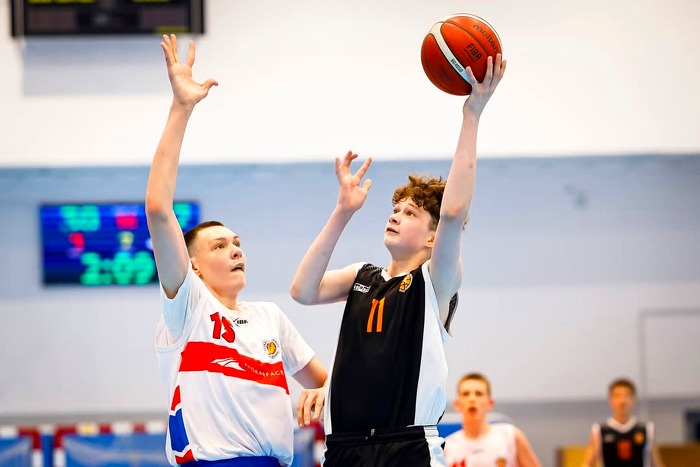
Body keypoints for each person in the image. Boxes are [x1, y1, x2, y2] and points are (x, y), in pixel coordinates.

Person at [290, 55, 507, 466]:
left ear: (433, 237)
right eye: (395, 209)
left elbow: (454, 211)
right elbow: (302, 291)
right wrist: (342, 212)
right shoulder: (362, 275)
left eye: (410, 213)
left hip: (406, 446)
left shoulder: (435, 281)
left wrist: (472, 115)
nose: (395, 215)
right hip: (345, 447)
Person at [146, 34, 327, 467]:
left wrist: (324, 389)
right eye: (220, 245)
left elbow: (324, 380)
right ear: (193, 266)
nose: (235, 251)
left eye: (238, 243)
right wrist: (181, 107)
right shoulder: (189, 307)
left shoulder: (269, 317)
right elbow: (157, 209)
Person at [443, 373, 540, 467]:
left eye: (479, 394)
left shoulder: (511, 436)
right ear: (457, 404)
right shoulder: (446, 448)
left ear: (490, 403)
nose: (472, 399)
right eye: (465, 394)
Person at [581, 378, 665, 467]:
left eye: (626, 395)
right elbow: (588, 463)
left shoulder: (646, 429)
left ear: (633, 399)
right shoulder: (599, 431)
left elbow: (656, 464)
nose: (622, 400)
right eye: (617, 396)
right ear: (611, 400)